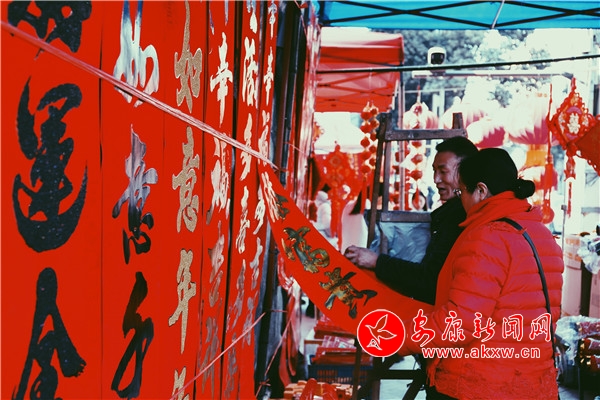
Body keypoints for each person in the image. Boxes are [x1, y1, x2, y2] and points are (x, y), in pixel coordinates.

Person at [400, 148, 564, 399]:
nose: (460, 200)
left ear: (480, 190)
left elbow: (462, 322)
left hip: (480, 382)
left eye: (461, 192)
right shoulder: (542, 234)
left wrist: (400, 338)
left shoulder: (488, 237)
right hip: (534, 380)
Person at [344, 136, 478, 305]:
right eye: (434, 171)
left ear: (466, 172)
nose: (436, 179)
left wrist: (376, 261)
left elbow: (430, 280)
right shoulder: (451, 213)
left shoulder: (461, 217)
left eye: (443, 171)